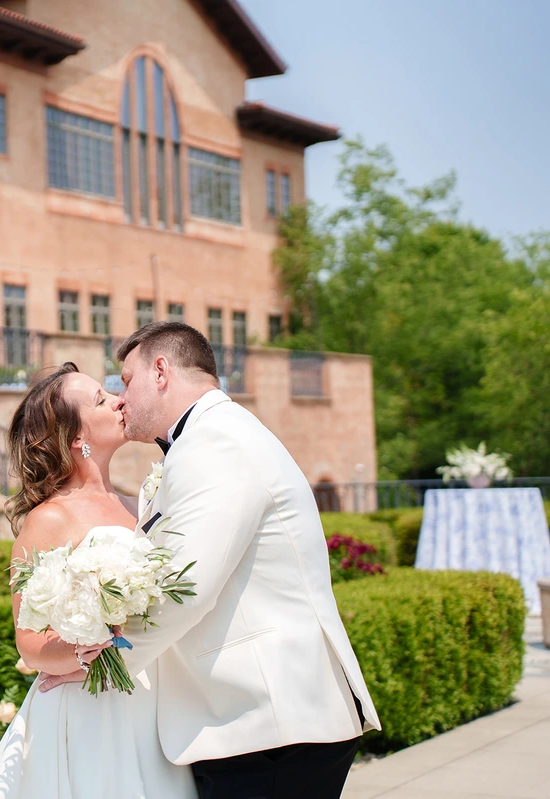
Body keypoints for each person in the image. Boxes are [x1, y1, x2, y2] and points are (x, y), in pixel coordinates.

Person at [38, 321, 381, 799]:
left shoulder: (215, 441)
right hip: (261, 722)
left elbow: (188, 586)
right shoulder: (214, 435)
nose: (122, 398)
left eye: (127, 380)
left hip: (267, 722)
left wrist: (105, 661)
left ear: (161, 372)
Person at [0, 361, 198, 799]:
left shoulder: (143, 504)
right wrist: (83, 652)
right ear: (77, 437)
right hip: (88, 713)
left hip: (153, 705)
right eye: (100, 399)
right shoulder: (48, 519)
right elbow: (28, 642)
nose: (118, 400)